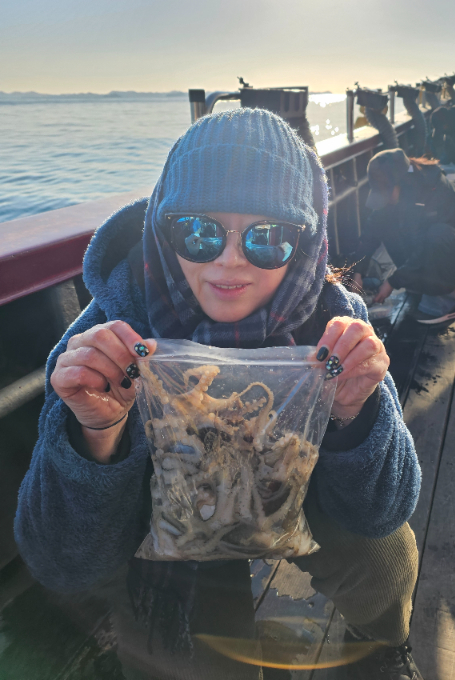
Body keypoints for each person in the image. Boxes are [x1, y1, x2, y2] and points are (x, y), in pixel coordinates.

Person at [14, 109, 423, 680]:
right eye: (198, 232)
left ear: (305, 240)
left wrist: (357, 413)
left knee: (385, 561)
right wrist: (95, 433)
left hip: (297, 492)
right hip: (170, 518)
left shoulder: (335, 322)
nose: (230, 259)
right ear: (163, 228)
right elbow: (60, 560)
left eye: (268, 237)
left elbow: (385, 511)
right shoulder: (108, 336)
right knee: (182, 654)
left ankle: (381, 642)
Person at [352, 148, 455, 325]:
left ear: (401, 182)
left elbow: (425, 249)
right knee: (386, 222)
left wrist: (393, 282)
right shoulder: (403, 192)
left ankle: (444, 304)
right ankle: (419, 286)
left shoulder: (438, 192)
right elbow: (371, 230)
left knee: (438, 235)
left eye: (386, 193)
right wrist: (358, 271)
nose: (385, 199)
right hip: (449, 250)